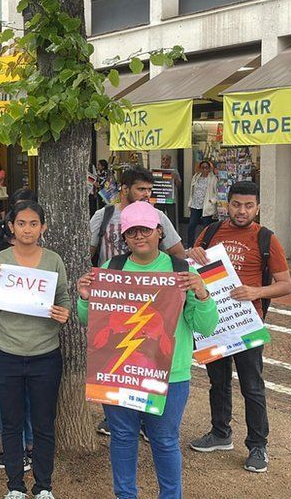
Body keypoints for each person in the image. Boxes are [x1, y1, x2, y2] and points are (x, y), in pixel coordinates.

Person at [77, 201, 218, 499]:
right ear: (124, 237)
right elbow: (90, 320)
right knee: (124, 437)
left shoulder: (181, 271)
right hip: (118, 370)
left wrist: (202, 293)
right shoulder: (111, 269)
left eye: (146, 230)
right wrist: (86, 298)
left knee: (165, 439)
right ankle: (125, 495)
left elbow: (205, 327)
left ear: (159, 231)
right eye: (132, 232)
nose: (139, 236)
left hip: (170, 373)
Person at [185, 181, 291, 473]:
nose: (242, 211)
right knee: (217, 382)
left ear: (257, 207)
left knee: (252, 387)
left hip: (246, 324)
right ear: (227, 205)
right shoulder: (210, 232)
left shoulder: (266, 239)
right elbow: (191, 270)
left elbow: (286, 285)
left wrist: (256, 292)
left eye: (248, 206)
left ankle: (258, 444)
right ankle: (220, 433)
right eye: (236, 204)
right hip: (212, 322)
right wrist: (190, 253)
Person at [0, 200, 72, 499]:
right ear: (11, 226)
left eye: (34, 223)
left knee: (44, 424)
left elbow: (64, 299)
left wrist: (65, 313)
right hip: (6, 353)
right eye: (21, 223)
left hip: (45, 355)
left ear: (43, 227)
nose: (28, 229)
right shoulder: (0, 261)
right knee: (11, 423)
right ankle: (15, 486)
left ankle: (44, 486)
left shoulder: (53, 261)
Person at [90, 166, 185, 436]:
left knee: (149, 355)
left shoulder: (158, 217)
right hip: (115, 303)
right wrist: (96, 289)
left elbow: (178, 253)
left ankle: (148, 418)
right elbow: (90, 252)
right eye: (140, 189)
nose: (146, 195)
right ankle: (119, 414)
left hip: (154, 303)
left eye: (149, 190)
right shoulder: (104, 215)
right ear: (124, 189)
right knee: (120, 358)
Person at [186, 160, 218, 244]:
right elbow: (191, 191)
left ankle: (205, 245)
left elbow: (217, 192)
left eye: (206, 168)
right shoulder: (196, 177)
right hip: (195, 205)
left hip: (206, 205)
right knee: (191, 225)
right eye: (203, 168)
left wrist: (212, 200)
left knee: (206, 228)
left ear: (209, 169)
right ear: (200, 168)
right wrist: (190, 202)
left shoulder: (213, 178)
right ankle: (190, 245)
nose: (204, 170)